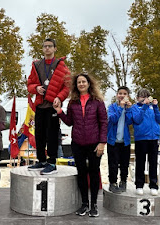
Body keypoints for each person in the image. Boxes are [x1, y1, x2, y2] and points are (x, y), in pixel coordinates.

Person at [54, 73, 107, 217]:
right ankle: (84, 204)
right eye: (79, 82)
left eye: (84, 82)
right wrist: (59, 111)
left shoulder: (98, 101)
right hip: (77, 143)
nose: (81, 84)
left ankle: (94, 204)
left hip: (95, 144)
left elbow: (103, 123)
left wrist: (102, 143)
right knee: (81, 174)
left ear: (89, 84)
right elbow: (69, 121)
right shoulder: (73, 102)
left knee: (94, 173)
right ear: (76, 86)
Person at [27, 38, 71, 175]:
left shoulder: (61, 66)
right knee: (39, 134)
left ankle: (52, 163)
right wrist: (36, 88)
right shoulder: (36, 65)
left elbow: (67, 86)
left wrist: (59, 97)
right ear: (42, 48)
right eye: (45, 46)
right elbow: (29, 84)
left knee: (52, 135)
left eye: (50, 46)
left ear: (55, 48)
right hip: (40, 104)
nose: (47, 48)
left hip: (53, 105)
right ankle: (41, 161)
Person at [131, 89, 160, 196]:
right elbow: (137, 119)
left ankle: (153, 185)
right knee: (140, 162)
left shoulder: (152, 108)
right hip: (141, 138)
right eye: (142, 97)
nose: (144, 99)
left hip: (153, 138)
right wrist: (144, 107)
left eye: (147, 97)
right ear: (137, 98)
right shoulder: (135, 108)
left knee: (153, 163)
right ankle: (139, 185)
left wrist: (156, 107)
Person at [107, 86, 133, 193]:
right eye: (120, 93)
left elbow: (131, 121)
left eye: (124, 94)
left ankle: (123, 181)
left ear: (127, 96)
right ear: (117, 95)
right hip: (113, 141)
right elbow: (112, 119)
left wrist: (129, 109)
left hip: (125, 141)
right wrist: (120, 108)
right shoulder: (112, 107)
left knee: (124, 164)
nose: (122, 95)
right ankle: (112, 182)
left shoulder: (128, 108)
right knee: (113, 164)